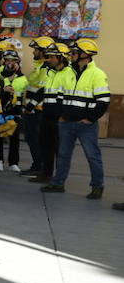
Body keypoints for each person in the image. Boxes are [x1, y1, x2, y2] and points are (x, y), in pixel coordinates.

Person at [42, 39, 109, 199]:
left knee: (92, 155)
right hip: (66, 123)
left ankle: (97, 187)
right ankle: (58, 184)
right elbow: (60, 96)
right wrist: (62, 116)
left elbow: (103, 101)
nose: (70, 55)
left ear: (84, 54)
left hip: (86, 125)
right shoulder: (69, 73)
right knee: (63, 154)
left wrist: (90, 119)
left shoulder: (97, 74)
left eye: (73, 53)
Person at [28, 41, 70, 184]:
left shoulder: (70, 74)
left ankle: (59, 178)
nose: (49, 59)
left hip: (60, 118)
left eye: (52, 57)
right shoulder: (50, 72)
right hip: (47, 115)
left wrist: (65, 116)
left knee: (60, 150)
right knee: (45, 146)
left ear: (62, 58)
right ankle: (46, 174)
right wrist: (31, 105)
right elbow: (43, 91)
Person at [19, 36, 55, 178]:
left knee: (36, 139)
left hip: (37, 111)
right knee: (31, 138)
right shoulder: (40, 66)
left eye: (36, 50)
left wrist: (30, 105)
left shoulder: (46, 68)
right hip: (32, 110)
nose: (33, 52)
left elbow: (43, 89)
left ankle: (39, 167)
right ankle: (37, 166)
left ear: (43, 51)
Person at [0, 42, 25, 173]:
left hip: (15, 111)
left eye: (13, 61)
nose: (10, 63)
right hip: (1, 111)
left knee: (14, 139)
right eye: (7, 61)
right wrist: (3, 90)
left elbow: (22, 95)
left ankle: (13, 162)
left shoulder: (22, 78)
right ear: (3, 61)